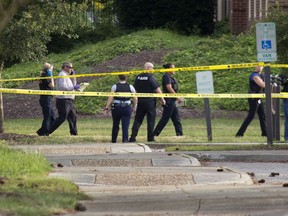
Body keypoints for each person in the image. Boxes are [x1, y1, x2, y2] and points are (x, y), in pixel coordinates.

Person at [129, 62, 165, 142]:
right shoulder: (151, 77)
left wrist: (135, 101)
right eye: (152, 68)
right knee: (151, 120)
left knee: (138, 120)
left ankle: (133, 137)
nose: (153, 70)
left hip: (141, 101)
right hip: (150, 101)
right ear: (148, 68)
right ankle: (150, 138)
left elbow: (135, 90)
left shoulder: (138, 77)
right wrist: (162, 99)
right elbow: (157, 89)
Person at [48, 62, 80, 135]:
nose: (71, 69)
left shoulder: (67, 75)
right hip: (63, 100)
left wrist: (73, 76)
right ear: (65, 67)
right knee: (62, 117)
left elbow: (73, 84)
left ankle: (74, 133)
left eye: (72, 68)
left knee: (73, 117)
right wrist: (73, 87)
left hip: (69, 100)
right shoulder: (62, 75)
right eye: (70, 67)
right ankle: (47, 131)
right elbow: (63, 87)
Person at [104, 75, 137, 143]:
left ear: (118, 78)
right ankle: (125, 140)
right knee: (125, 125)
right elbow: (135, 99)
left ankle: (114, 140)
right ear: (126, 78)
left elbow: (110, 97)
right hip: (127, 107)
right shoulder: (130, 87)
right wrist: (133, 107)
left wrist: (107, 107)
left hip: (117, 107)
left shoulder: (115, 86)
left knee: (115, 124)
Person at [235, 66, 267, 137]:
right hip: (253, 98)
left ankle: (265, 133)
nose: (260, 67)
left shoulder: (261, 75)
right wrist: (269, 81)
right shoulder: (254, 75)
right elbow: (263, 84)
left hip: (259, 98)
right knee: (250, 116)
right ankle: (239, 133)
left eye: (261, 66)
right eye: (258, 66)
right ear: (255, 67)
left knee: (262, 116)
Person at [153, 63, 183, 136]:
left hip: (172, 100)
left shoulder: (171, 77)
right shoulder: (166, 77)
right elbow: (169, 87)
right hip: (169, 100)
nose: (174, 69)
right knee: (165, 118)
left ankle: (179, 133)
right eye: (172, 68)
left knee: (176, 118)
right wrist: (177, 97)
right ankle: (155, 133)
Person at [36, 63, 56, 136]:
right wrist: (51, 75)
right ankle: (43, 133)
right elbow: (52, 85)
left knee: (53, 117)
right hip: (45, 98)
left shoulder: (45, 75)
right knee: (47, 116)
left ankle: (42, 131)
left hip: (48, 98)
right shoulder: (45, 76)